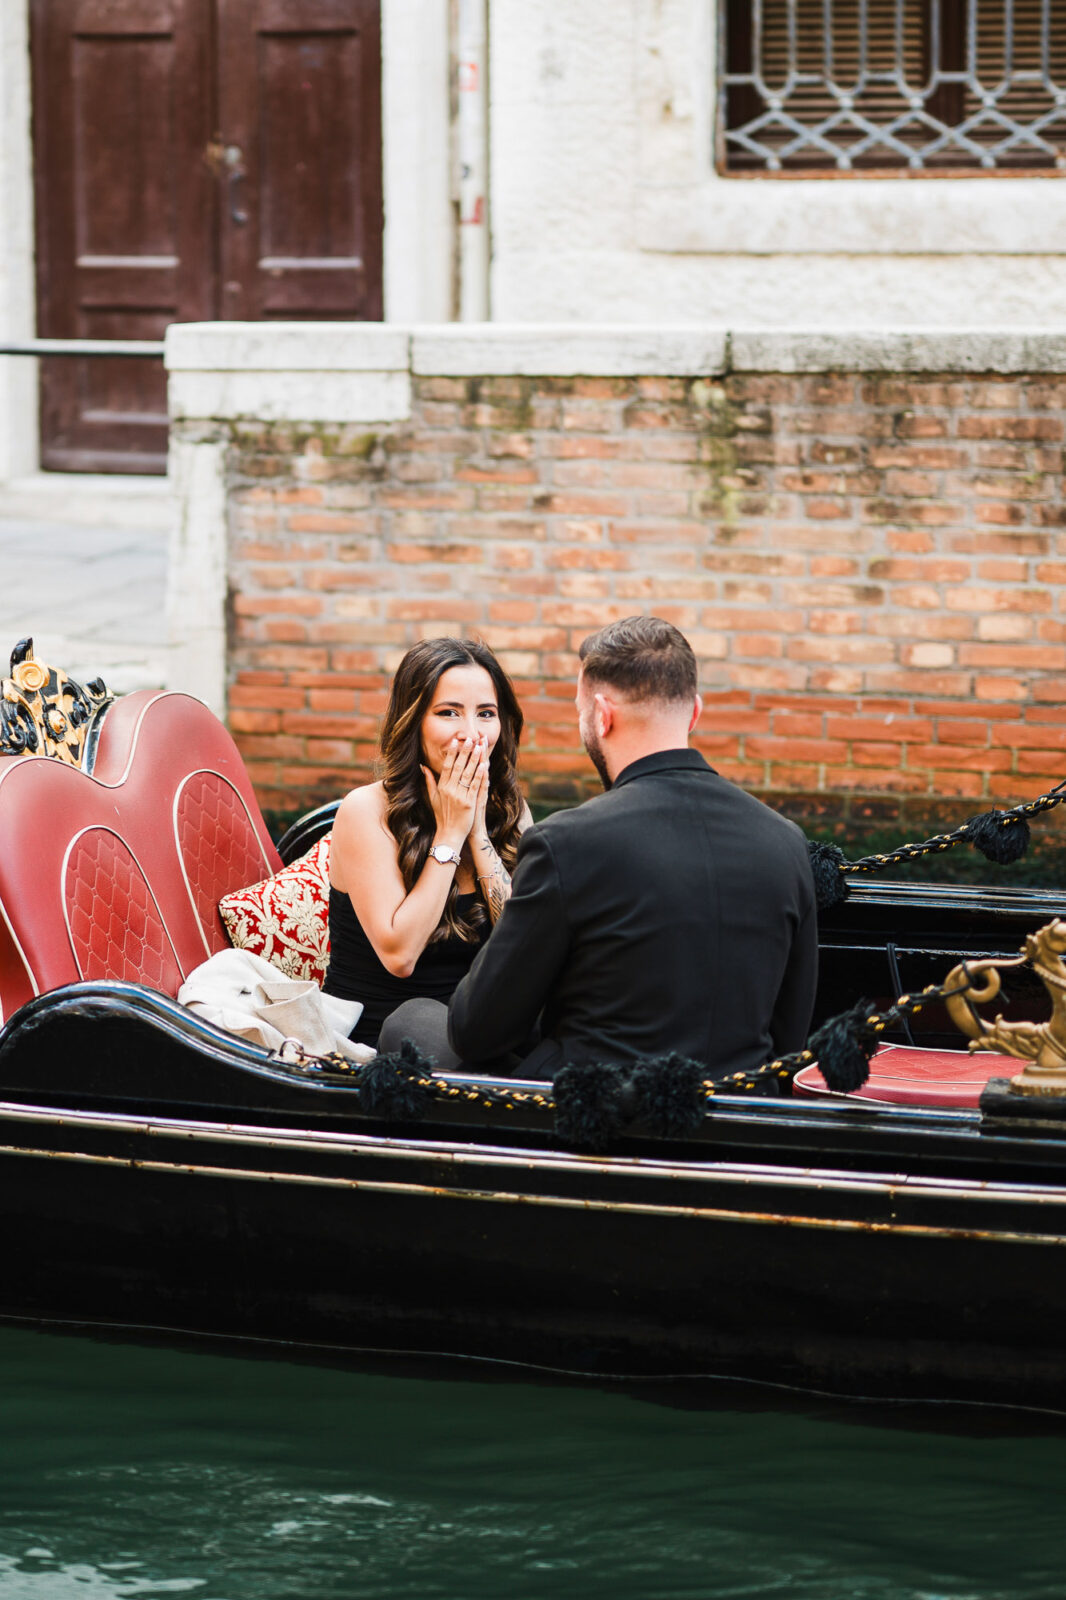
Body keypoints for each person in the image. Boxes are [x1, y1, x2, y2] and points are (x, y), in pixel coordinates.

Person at [381, 615, 818, 1079]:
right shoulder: (785, 840)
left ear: (602, 715)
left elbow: (477, 1033)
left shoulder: (567, 842)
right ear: (694, 712)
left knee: (411, 1022)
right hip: (734, 1109)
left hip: (596, 1113)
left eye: (581, 710)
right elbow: (792, 1033)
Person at [323, 637, 531, 1048]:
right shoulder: (366, 811)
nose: (471, 735)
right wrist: (451, 833)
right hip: (390, 1035)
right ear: (413, 720)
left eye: (486, 714)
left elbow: (520, 952)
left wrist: (477, 832)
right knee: (421, 1023)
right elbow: (399, 956)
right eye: (449, 713)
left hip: (478, 1029)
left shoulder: (510, 810)